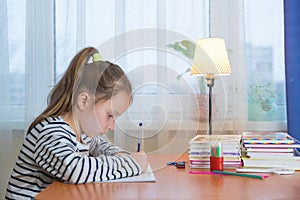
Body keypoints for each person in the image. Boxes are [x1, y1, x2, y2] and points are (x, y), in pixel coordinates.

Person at [5, 47, 148, 199]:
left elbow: (100, 146)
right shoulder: (50, 132)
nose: (112, 126)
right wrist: (130, 164)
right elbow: (74, 169)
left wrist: (120, 155)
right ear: (84, 101)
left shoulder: (81, 134)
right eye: (110, 115)